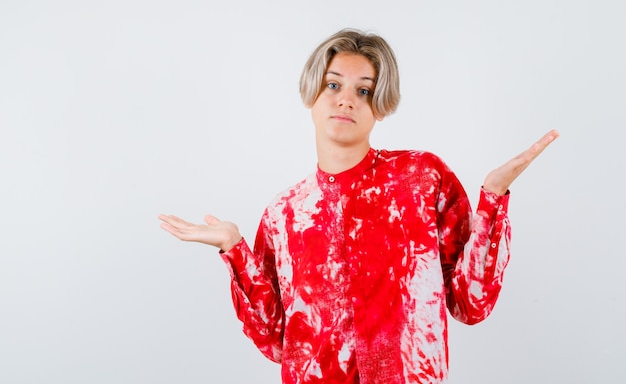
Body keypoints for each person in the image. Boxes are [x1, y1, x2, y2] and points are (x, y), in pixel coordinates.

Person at [159, 29, 559, 384]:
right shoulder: (285, 214)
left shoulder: (421, 178)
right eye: (333, 85)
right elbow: (277, 342)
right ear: (311, 95)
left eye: (363, 90)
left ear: (380, 105)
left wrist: (492, 197)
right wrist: (234, 248)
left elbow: (471, 304)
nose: (346, 100)